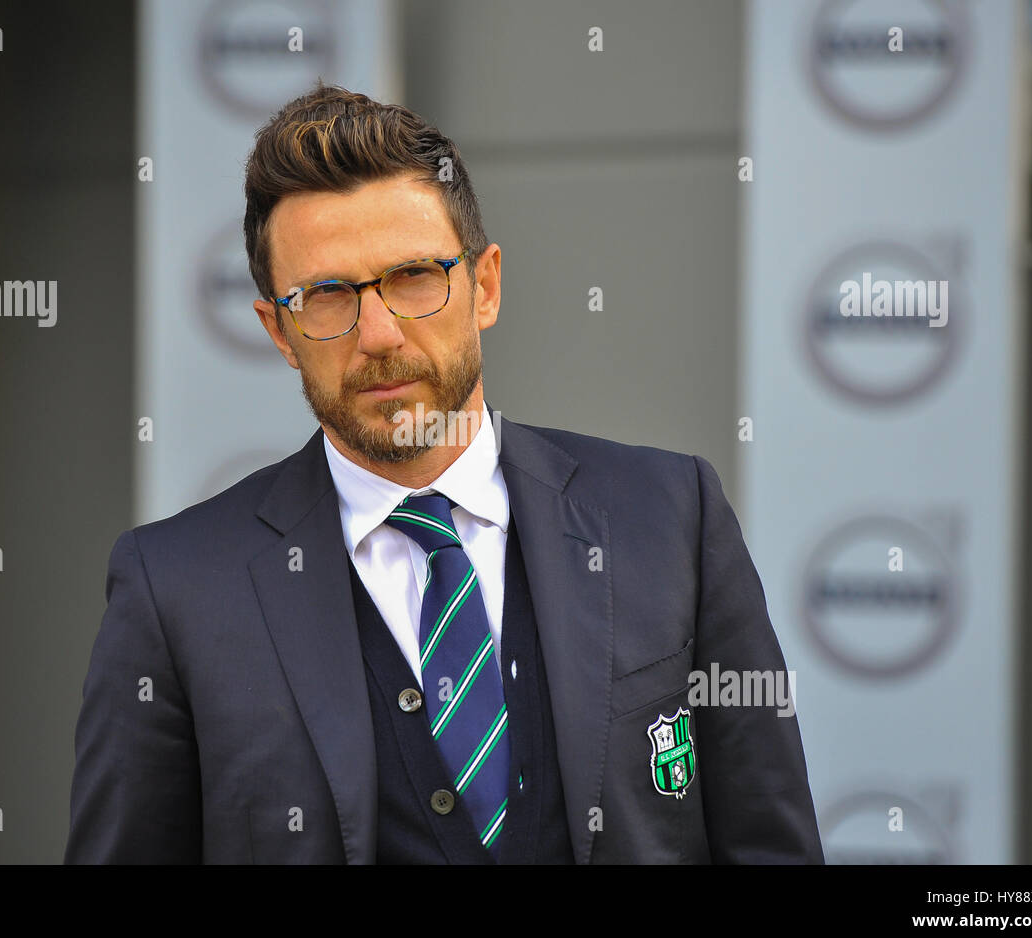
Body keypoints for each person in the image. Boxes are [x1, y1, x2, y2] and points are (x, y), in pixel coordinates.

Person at [65, 83, 824, 864]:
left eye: (414, 276)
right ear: (279, 331)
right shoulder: (176, 589)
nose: (380, 333)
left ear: (485, 285)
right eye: (327, 295)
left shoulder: (669, 518)